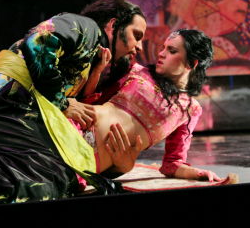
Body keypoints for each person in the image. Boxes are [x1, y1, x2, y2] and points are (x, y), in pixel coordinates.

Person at [0, 0, 147, 209]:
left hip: (5, 109)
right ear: (113, 25)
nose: (139, 47)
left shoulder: (91, 52)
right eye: (136, 35)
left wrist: (95, 72)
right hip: (5, 102)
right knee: (47, 176)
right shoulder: (85, 27)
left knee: (50, 180)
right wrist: (63, 102)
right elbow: (39, 42)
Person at [84, 29, 221, 181]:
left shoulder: (189, 109)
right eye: (163, 48)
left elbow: (172, 164)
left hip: (89, 162)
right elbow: (92, 100)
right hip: (74, 129)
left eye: (172, 51)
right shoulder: (136, 71)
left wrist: (197, 173)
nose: (161, 54)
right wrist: (97, 71)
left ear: (192, 63)